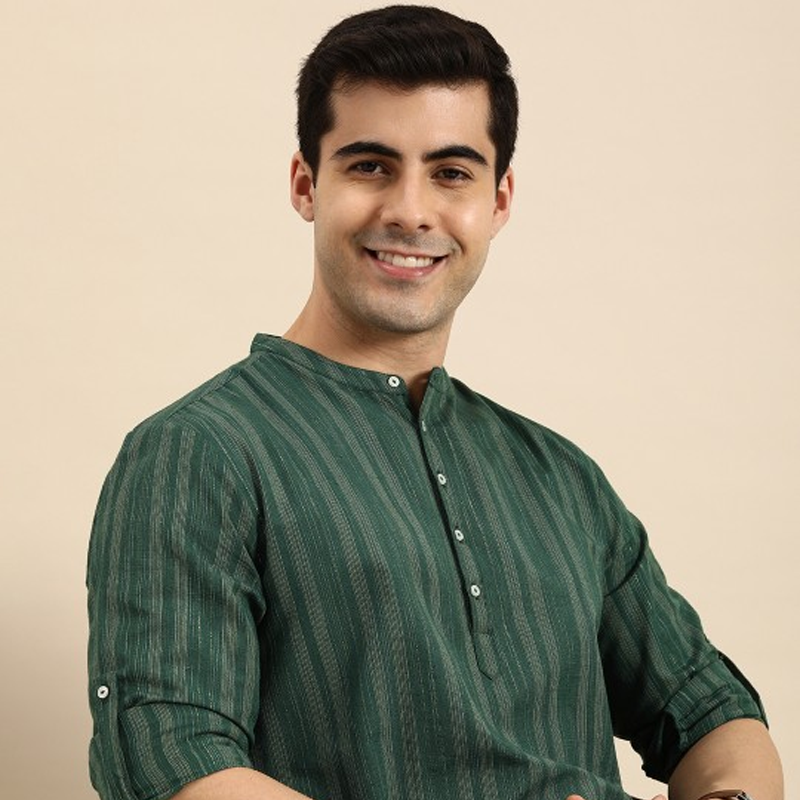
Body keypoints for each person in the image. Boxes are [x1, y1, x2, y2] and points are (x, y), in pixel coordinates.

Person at [86, 6, 783, 800]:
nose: (410, 210)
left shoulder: (559, 477)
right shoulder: (199, 454)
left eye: (451, 173)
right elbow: (174, 759)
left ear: (499, 200)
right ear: (306, 185)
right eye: (370, 166)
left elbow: (711, 710)